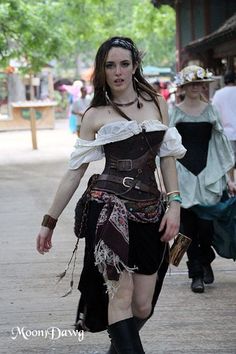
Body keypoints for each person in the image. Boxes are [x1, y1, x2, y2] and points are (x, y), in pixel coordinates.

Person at [36, 36, 186, 353]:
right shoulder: (94, 116)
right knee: (121, 295)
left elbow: (167, 156)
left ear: (134, 67)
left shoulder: (157, 103)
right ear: (101, 71)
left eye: (124, 64)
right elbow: (75, 171)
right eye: (109, 65)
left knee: (143, 306)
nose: (117, 72)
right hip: (108, 211)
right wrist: (49, 220)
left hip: (150, 211)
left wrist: (174, 203)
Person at [170, 65, 236, 294]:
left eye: (200, 84)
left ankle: (206, 259)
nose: (196, 87)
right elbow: (167, 148)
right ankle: (195, 274)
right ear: (184, 87)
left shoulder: (211, 111)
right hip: (182, 175)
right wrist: (165, 182)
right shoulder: (175, 113)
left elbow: (221, 146)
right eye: (192, 84)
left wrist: (229, 178)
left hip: (208, 176)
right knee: (187, 230)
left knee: (206, 228)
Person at [212, 71, 236, 168]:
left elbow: (214, 113)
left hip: (226, 132)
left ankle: (232, 181)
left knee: (229, 160)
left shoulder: (218, 94)